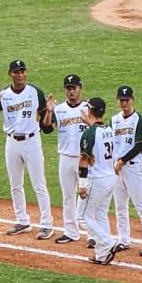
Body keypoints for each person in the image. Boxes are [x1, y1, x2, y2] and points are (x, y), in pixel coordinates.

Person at [0, 60, 55, 238]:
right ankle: (22, 221)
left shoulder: (35, 93)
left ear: (26, 72)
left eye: (22, 71)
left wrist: (48, 112)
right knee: (15, 184)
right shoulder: (4, 95)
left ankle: (47, 224)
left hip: (32, 141)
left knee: (39, 184)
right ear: (10, 74)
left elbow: (47, 128)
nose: (20, 75)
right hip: (12, 142)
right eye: (16, 72)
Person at [109, 84, 142, 256]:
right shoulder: (114, 120)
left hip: (133, 168)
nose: (124, 103)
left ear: (132, 100)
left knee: (141, 205)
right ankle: (123, 239)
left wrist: (121, 161)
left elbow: (138, 146)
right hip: (116, 168)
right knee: (120, 206)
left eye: (127, 100)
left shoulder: (139, 121)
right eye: (121, 100)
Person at [75, 98, 120, 265]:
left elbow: (84, 161)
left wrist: (82, 185)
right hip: (111, 177)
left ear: (90, 111)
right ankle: (102, 255)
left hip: (97, 180)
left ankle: (108, 242)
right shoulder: (109, 129)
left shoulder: (89, 133)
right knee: (100, 215)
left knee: (82, 217)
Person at [51, 74, 92, 244]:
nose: (71, 92)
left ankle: (92, 234)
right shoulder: (58, 109)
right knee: (67, 196)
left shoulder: (89, 107)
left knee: (87, 196)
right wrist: (48, 111)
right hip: (66, 157)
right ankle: (70, 231)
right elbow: (46, 128)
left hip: (85, 158)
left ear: (80, 88)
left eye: (74, 88)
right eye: (68, 89)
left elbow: (99, 127)